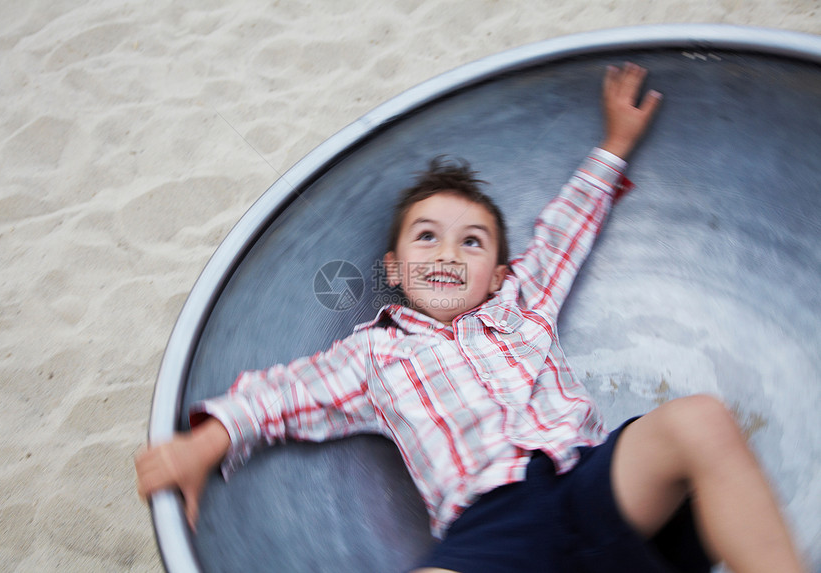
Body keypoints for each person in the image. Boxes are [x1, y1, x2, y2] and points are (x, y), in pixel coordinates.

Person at [136, 63, 806, 573]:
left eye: (472, 241)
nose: (448, 253)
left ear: (500, 273)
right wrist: (202, 444)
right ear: (394, 270)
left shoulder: (524, 304)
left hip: (595, 486)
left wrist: (613, 145)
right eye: (425, 237)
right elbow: (281, 397)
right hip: (496, 526)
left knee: (700, 419)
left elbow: (566, 229)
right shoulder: (374, 355)